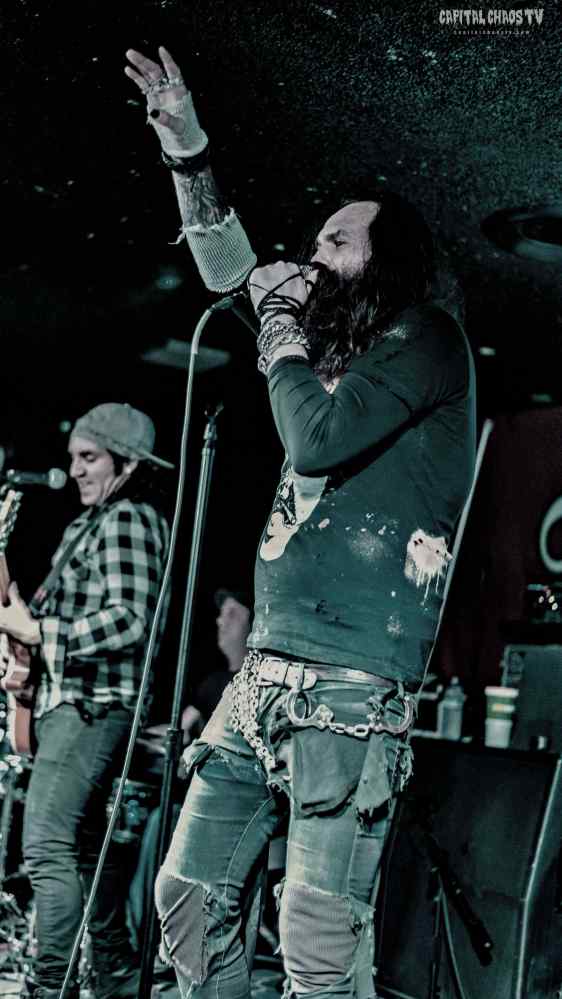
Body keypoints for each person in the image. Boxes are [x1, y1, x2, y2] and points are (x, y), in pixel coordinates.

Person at [125, 46, 476, 999]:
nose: (315, 255)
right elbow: (229, 271)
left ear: (384, 262)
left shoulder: (425, 340)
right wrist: (188, 150)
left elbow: (317, 441)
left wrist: (280, 329)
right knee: (186, 895)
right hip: (263, 674)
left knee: (317, 942)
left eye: (337, 241)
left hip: (350, 683)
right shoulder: (317, 355)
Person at [0, 402, 171, 999]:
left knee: (46, 845)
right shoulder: (88, 526)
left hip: (93, 705)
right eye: (73, 457)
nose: (74, 469)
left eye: (89, 457)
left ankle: (52, 987)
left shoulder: (129, 520)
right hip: (69, 703)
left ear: (128, 464)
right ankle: (115, 976)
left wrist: (40, 632)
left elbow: (130, 619)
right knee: (83, 853)